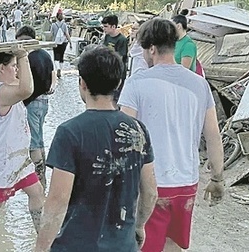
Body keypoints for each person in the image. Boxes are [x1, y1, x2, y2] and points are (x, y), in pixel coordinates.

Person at [35, 47, 157, 252]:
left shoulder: (70, 132)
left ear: (82, 83)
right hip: (123, 246)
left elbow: (57, 201)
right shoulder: (138, 130)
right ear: (119, 83)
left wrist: (40, 247)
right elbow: (151, 192)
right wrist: (139, 226)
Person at [118, 18, 225, 252]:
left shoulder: (136, 83)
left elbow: (125, 138)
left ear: (152, 49)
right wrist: (217, 178)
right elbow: (213, 135)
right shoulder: (199, 84)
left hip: (150, 184)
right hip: (187, 182)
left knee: (144, 245)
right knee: (173, 246)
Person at [0, 50, 44, 252]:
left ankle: (45, 242)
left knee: (37, 192)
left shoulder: (2, 87)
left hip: (18, 157)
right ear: (2, 68)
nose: (17, 70)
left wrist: (22, 59)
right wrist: (23, 56)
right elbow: (27, 89)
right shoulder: (0, 91)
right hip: (3, 158)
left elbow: (27, 85)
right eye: (13, 66)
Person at [15, 26, 56, 187]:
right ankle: (41, 175)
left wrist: (23, 101)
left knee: (34, 141)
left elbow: (31, 85)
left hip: (33, 101)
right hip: (44, 101)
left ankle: (38, 178)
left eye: (20, 42)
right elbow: (52, 77)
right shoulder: (45, 55)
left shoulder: (29, 59)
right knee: (39, 137)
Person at [100, 15, 129, 99]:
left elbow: (120, 57)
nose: (104, 29)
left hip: (117, 72)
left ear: (113, 26)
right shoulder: (107, 36)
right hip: (107, 70)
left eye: (106, 26)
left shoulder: (122, 39)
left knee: (116, 96)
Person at [50, 13, 72, 78]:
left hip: (56, 43)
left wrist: (51, 41)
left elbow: (51, 34)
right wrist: (70, 42)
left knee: (56, 56)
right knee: (61, 56)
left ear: (56, 18)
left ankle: (58, 68)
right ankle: (60, 70)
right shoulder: (64, 25)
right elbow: (67, 34)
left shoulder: (53, 25)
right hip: (64, 42)